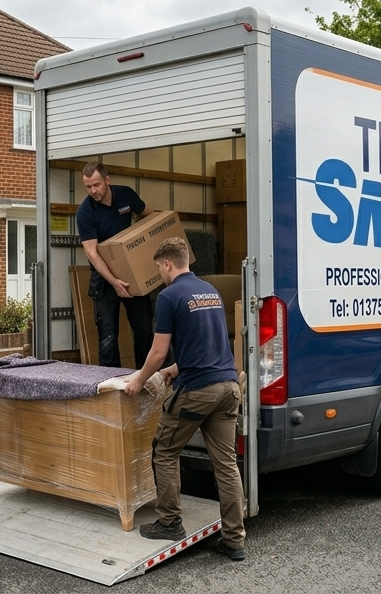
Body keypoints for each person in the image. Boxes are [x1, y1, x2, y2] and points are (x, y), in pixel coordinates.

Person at [123, 237, 245, 561]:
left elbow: (158, 350)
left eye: (158, 268)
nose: (160, 274)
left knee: (164, 450)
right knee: (227, 465)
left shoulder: (169, 296)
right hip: (229, 387)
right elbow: (211, 341)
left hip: (199, 392)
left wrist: (138, 380)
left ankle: (169, 521)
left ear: (166, 264)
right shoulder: (211, 292)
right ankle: (234, 540)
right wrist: (178, 367)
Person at [76, 161, 156, 368]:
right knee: (108, 336)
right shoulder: (85, 212)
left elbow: (151, 216)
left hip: (131, 272)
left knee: (145, 330)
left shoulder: (126, 195)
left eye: (97, 185)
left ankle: (147, 378)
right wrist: (114, 282)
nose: (93, 191)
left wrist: (144, 247)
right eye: (88, 186)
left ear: (107, 180)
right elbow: (92, 253)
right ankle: (112, 384)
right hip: (104, 278)